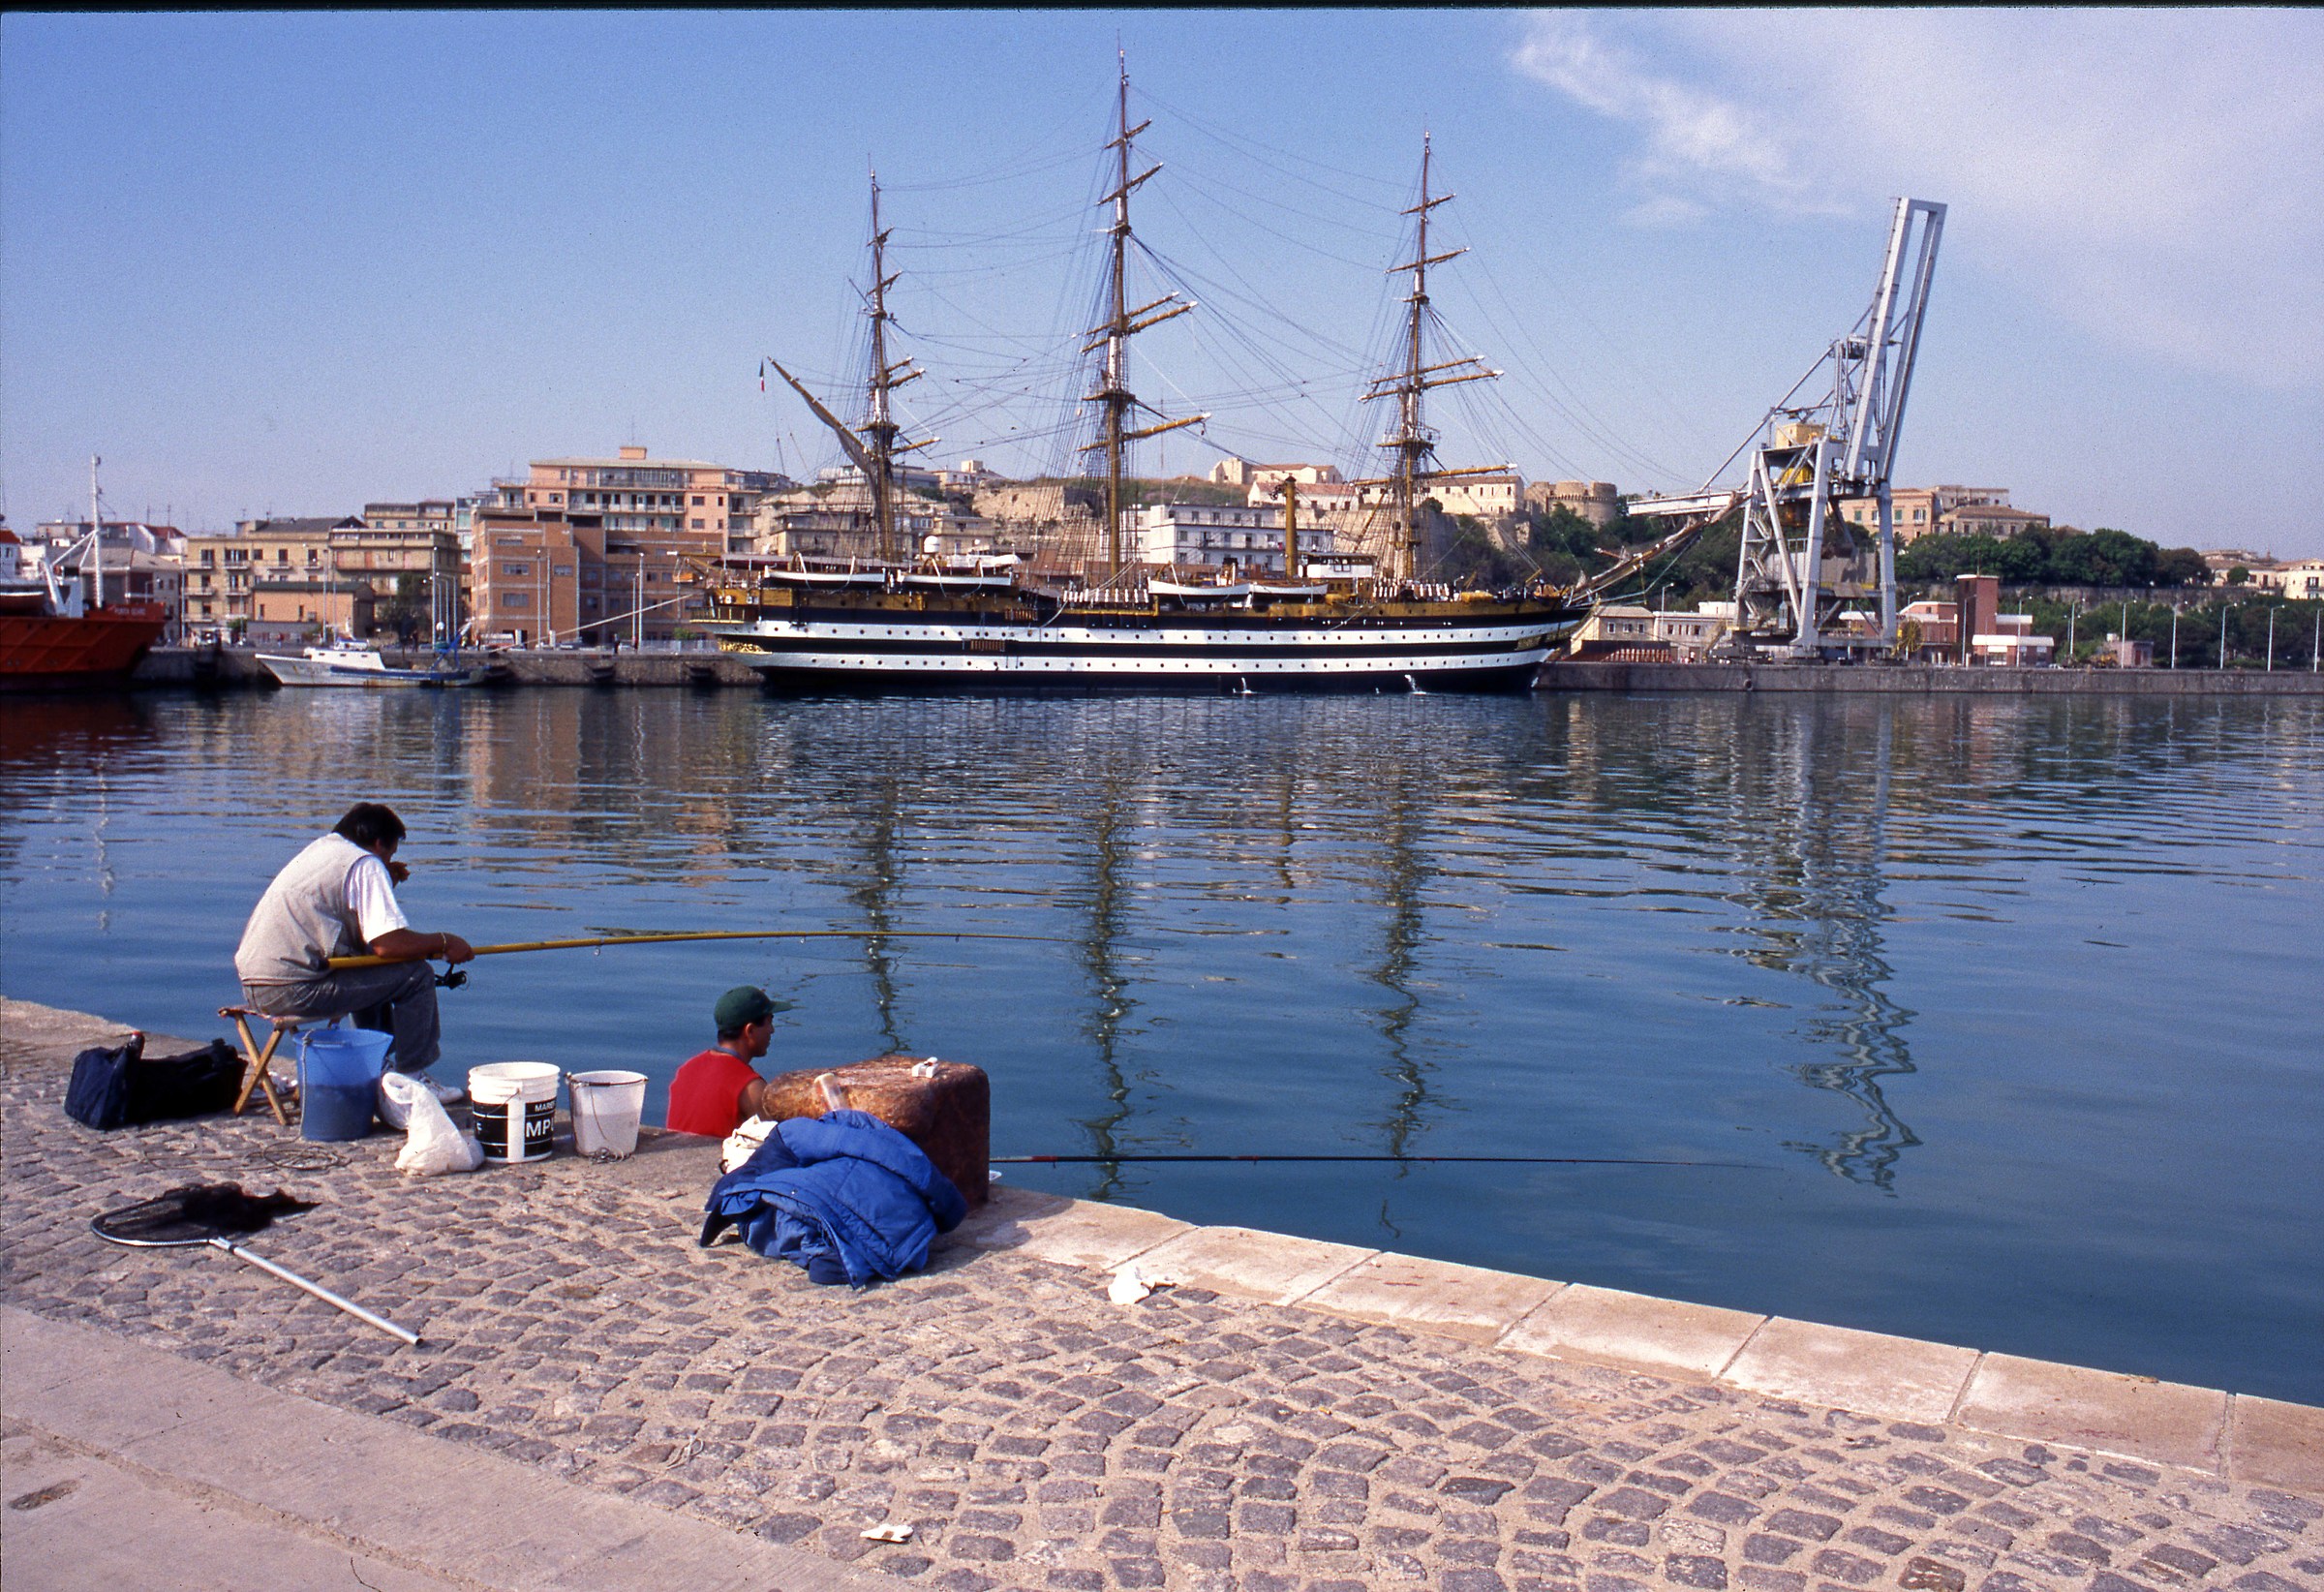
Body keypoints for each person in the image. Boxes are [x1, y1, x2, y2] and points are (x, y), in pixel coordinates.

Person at [235, 803, 474, 1101]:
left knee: (369, 967)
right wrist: (443, 941)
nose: (388, 861)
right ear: (378, 843)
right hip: (294, 988)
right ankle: (412, 1079)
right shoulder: (365, 863)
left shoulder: (322, 851)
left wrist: (387, 881)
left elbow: (363, 936)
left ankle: (377, 1066)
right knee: (417, 975)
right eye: (390, 853)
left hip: (256, 985)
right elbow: (387, 944)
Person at [667, 985, 794, 1137]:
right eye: (769, 1022)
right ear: (750, 1030)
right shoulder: (750, 1087)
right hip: (714, 1159)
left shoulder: (686, 1069)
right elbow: (776, 1145)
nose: (772, 1030)